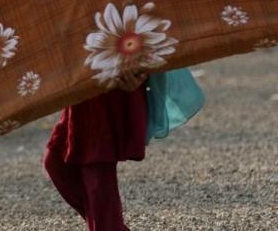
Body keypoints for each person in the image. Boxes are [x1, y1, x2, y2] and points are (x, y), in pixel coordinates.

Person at [43, 69, 204, 231]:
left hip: (110, 79)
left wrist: (140, 68)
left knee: (95, 164)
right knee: (56, 161)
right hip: (83, 80)